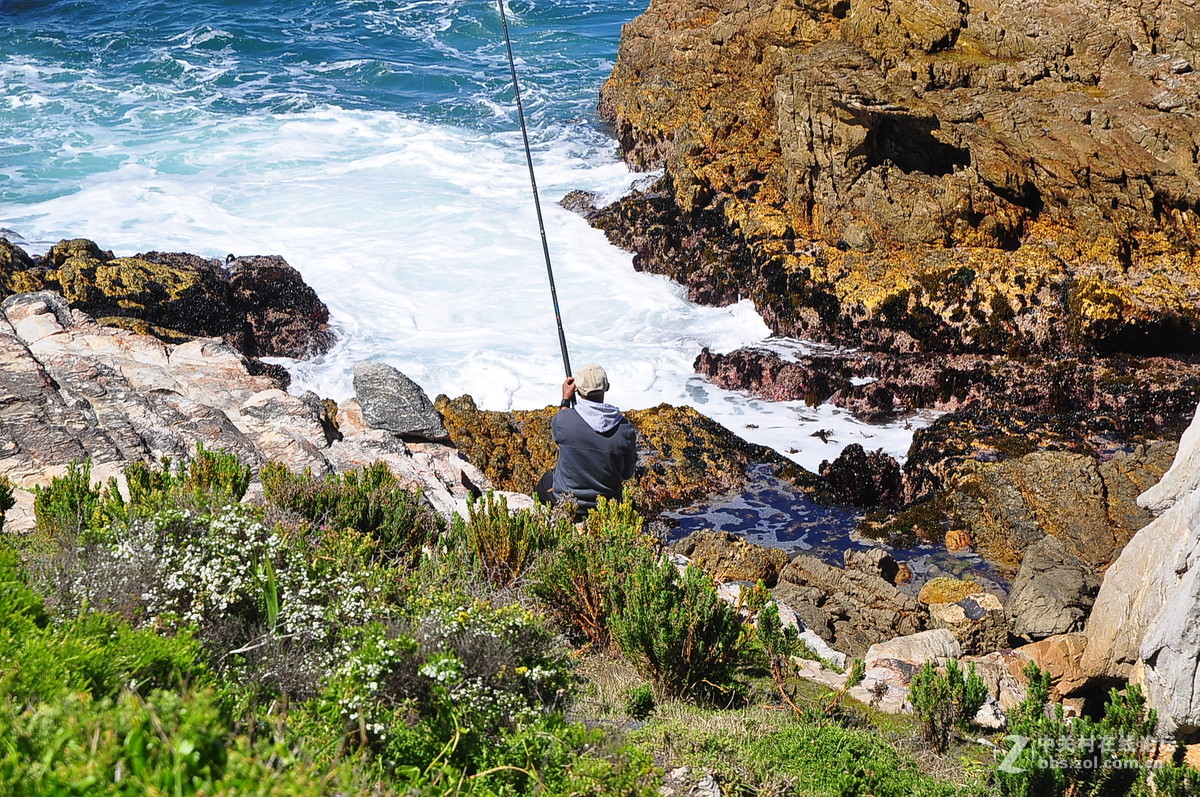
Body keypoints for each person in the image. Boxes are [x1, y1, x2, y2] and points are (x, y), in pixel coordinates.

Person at [536, 363, 637, 516]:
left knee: (545, 482)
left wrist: (565, 400)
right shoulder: (625, 429)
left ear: (577, 388)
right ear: (606, 387)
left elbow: (560, 429)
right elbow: (627, 474)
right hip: (607, 505)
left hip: (568, 502)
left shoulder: (563, 421)